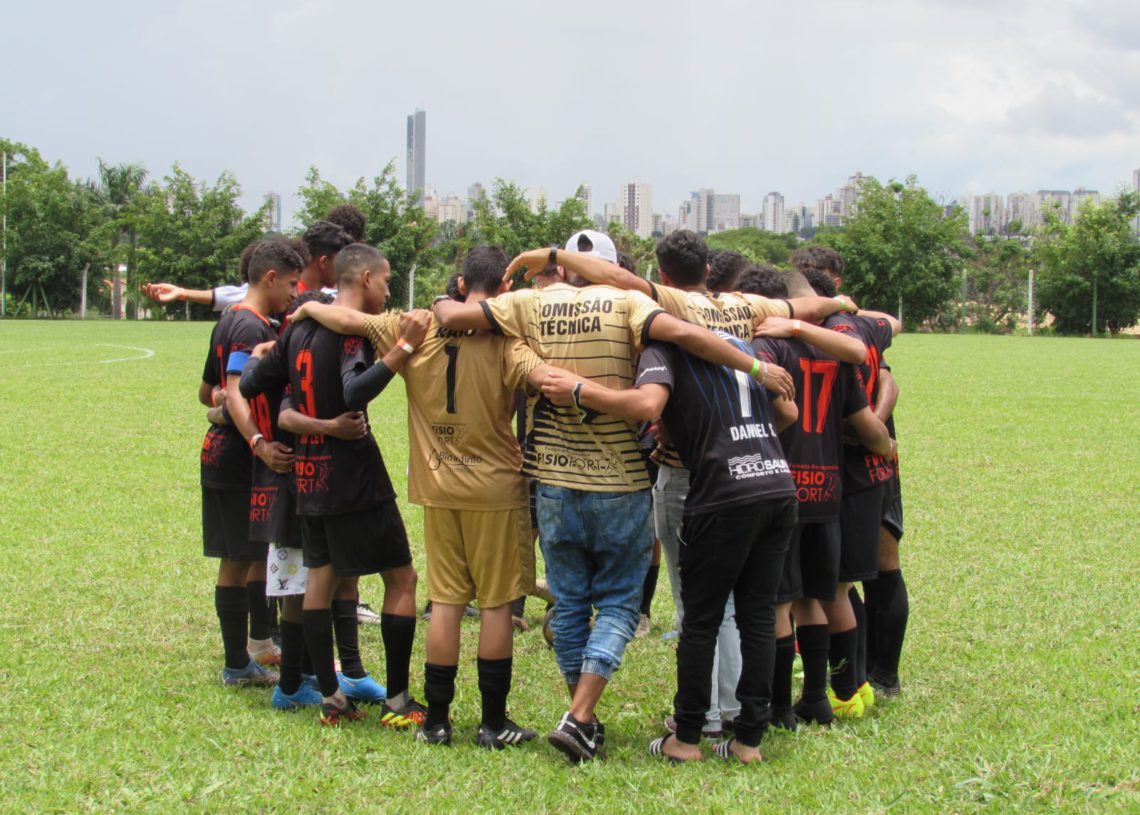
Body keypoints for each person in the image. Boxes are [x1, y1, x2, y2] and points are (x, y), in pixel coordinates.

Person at [434, 230, 793, 763]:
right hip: (623, 483)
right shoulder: (630, 304)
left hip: (554, 484)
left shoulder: (528, 304)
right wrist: (755, 365)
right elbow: (691, 337)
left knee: (573, 604)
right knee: (623, 605)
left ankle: (584, 718)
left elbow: (454, 316)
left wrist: (454, 297)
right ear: (608, 266)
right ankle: (582, 715)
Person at [516, 229, 860, 739]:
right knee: (749, 608)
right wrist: (837, 300)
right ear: (709, 267)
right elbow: (799, 316)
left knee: (699, 606)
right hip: (761, 469)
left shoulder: (672, 307)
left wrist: (548, 255)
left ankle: (709, 715)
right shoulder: (744, 306)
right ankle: (743, 715)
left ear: (665, 274)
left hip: (689, 475)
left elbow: (616, 278)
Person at [289, 245, 561, 749]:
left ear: (459, 286)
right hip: (496, 489)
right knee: (499, 606)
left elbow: (346, 318)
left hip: (437, 486)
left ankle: (437, 721)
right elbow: (545, 379)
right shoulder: (507, 337)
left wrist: (306, 306)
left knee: (447, 603)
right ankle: (493, 724)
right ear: (503, 291)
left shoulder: (413, 327)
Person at [540, 327, 798, 764]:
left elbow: (649, 405)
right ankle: (749, 741)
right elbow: (787, 414)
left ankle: (688, 738)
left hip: (723, 495)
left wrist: (580, 389)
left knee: (700, 619)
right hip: (776, 485)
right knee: (757, 615)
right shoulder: (737, 346)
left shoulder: (664, 348)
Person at [240, 243, 429, 726]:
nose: (388, 293)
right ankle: (399, 701)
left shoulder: (298, 327)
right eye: (386, 282)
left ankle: (332, 698)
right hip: (354, 475)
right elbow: (354, 391)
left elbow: (248, 384)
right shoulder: (350, 333)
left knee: (320, 579)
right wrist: (403, 349)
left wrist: (273, 364)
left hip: (308, 476)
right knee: (402, 578)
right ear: (365, 278)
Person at [793, 249, 901, 716]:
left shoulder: (830, 337)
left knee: (835, 585)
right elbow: (892, 328)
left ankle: (851, 687)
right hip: (878, 469)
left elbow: (851, 401)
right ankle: (871, 679)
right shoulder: (865, 325)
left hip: (848, 469)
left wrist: (872, 429)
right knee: (863, 576)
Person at [199, 238, 302, 687]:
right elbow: (235, 393)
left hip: (229, 450)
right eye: (292, 283)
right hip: (237, 456)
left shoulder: (234, 320)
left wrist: (221, 400)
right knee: (237, 558)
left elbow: (209, 392)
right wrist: (259, 441)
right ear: (270, 277)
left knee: (250, 552)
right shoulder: (249, 328)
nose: (295, 293)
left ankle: (257, 646)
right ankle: (236, 664)